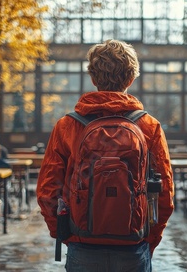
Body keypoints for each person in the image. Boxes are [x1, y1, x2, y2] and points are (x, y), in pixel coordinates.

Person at [37, 39, 174, 271]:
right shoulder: (149, 126)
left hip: (83, 243)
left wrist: (65, 233)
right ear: (131, 79)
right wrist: (150, 237)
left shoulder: (67, 126)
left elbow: (47, 190)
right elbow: (165, 192)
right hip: (133, 244)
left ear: (93, 78)